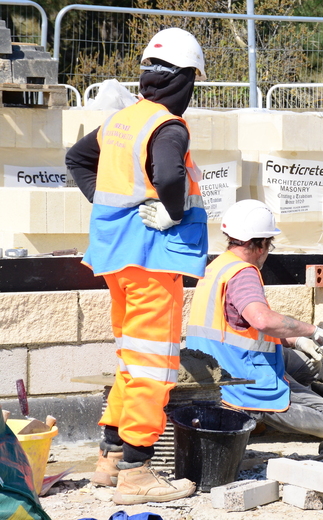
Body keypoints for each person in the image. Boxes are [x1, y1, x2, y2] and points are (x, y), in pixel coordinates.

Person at [65, 28, 208, 505]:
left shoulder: (122, 121)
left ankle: (109, 459)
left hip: (116, 260)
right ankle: (137, 472)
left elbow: (76, 159)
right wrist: (170, 210)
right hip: (151, 260)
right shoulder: (168, 125)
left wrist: (113, 209)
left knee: (130, 360)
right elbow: (168, 174)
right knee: (152, 365)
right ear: (185, 79)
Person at [186, 199, 323, 438]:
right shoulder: (244, 273)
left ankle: (256, 409)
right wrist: (312, 331)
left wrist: (296, 340)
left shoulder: (217, 267)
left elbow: (239, 329)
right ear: (261, 245)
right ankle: (252, 413)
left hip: (212, 371)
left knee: (304, 365)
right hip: (239, 380)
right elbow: (262, 320)